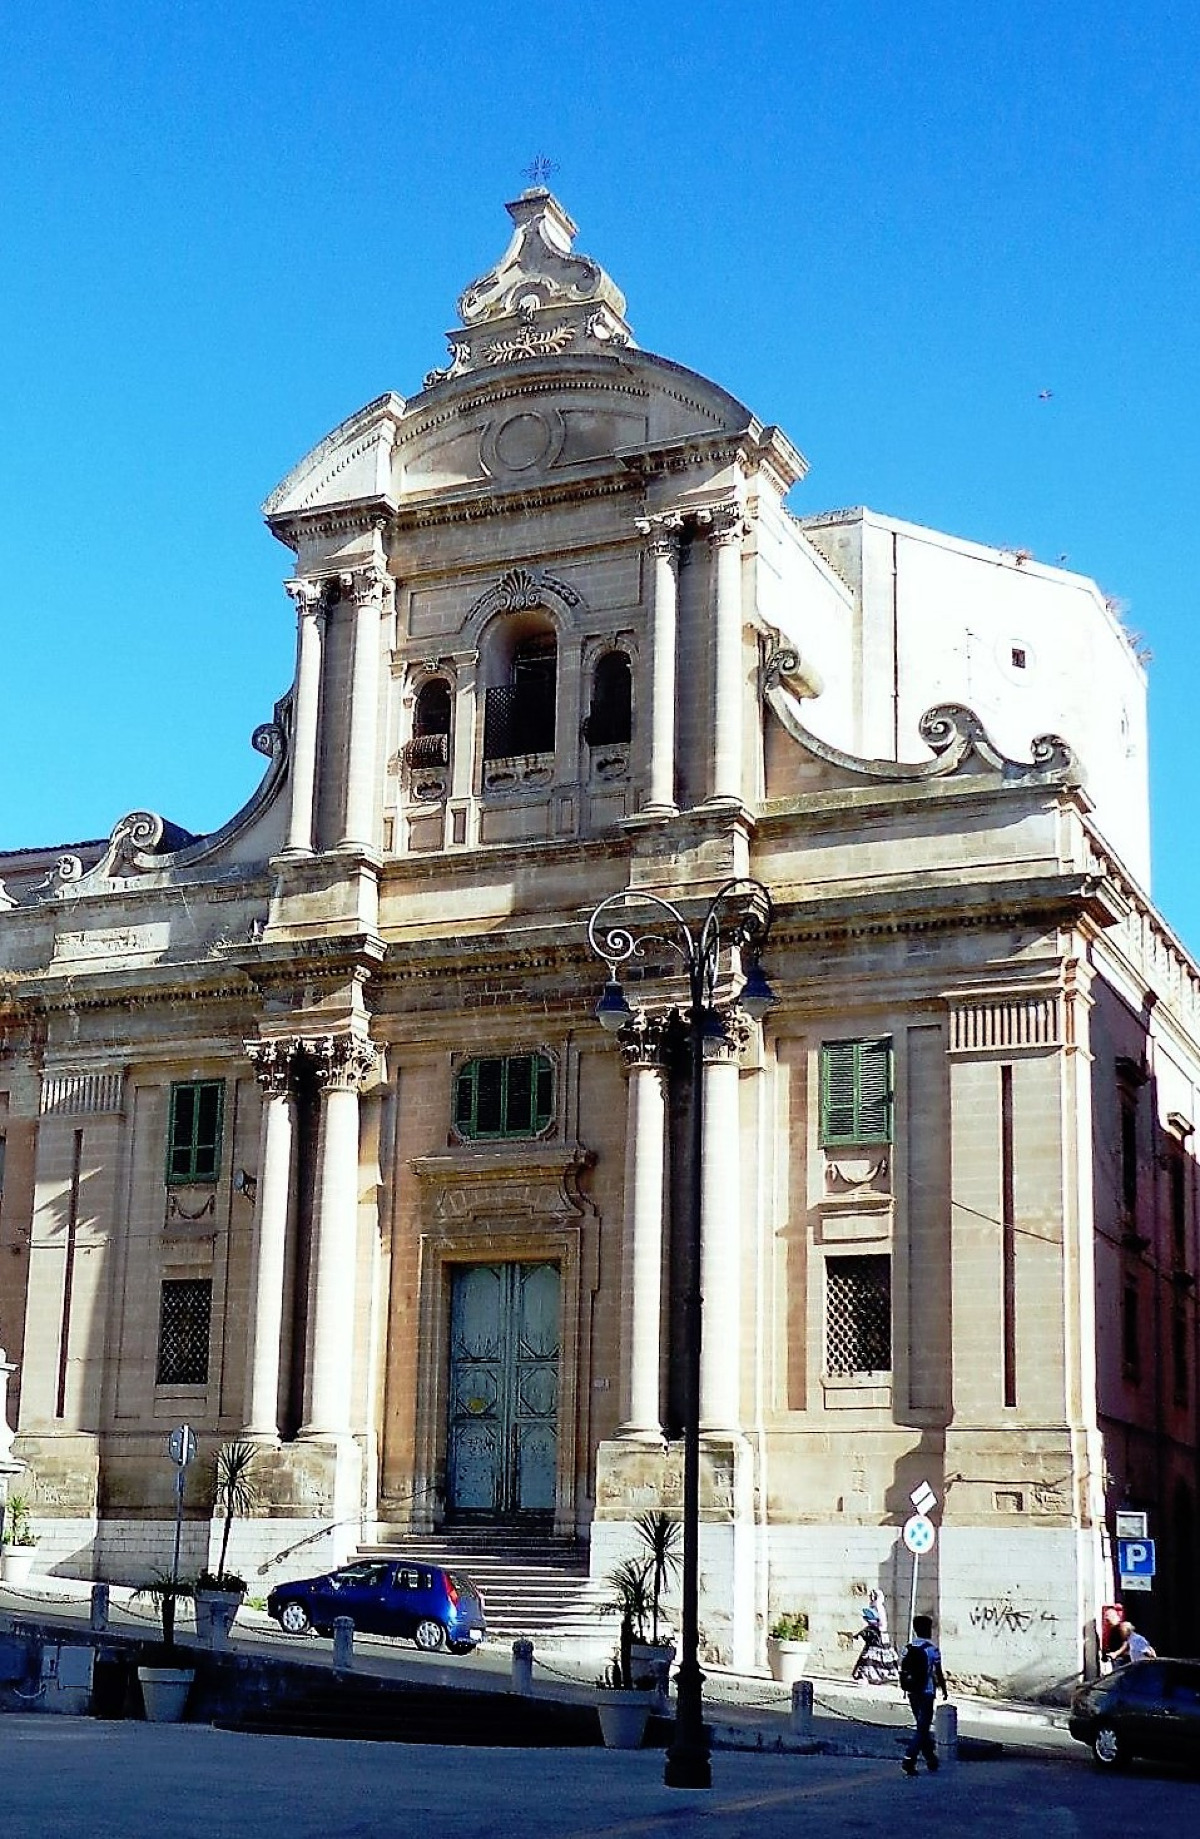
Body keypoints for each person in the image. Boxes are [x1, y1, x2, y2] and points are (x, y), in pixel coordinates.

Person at [899, 1613, 948, 1776]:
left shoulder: (907, 1648)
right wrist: (944, 1689)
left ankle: (930, 1758)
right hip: (927, 1691)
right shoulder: (932, 1650)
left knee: (922, 1727)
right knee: (922, 1728)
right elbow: (938, 1672)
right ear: (928, 1630)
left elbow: (903, 1668)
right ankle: (909, 1758)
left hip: (912, 1691)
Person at [851, 1591, 899, 1684]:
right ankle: (867, 1676)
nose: (871, 1597)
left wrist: (872, 1621)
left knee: (871, 1656)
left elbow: (881, 1623)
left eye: (873, 1596)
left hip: (878, 1635)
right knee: (870, 1656)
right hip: (876, 1634)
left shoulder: (878, 1606)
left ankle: (871, 1676)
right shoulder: (874, 1606)